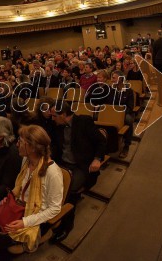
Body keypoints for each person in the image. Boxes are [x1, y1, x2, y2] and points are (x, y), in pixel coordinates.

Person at [0, 125, 64, 256]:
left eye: (20, 142)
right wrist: (10, 197)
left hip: (34, 216)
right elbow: (21, 188)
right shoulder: (26, 160)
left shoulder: (53, 173)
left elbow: (55, 208)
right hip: (18, 207)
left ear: (32, 147)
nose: (17, 144)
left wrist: (25, 222)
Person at [49, 102, 107, 243]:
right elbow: (56, 147)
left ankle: (67, 224)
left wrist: (97, 159)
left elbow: (101, 141)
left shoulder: (83, 122)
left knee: (69, 189)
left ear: (63, 115)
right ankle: (51, 217)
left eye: (54, 116)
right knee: (48, 183)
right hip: (63, 163)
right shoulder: (58, 126)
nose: (52, 119)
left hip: (81, 165)